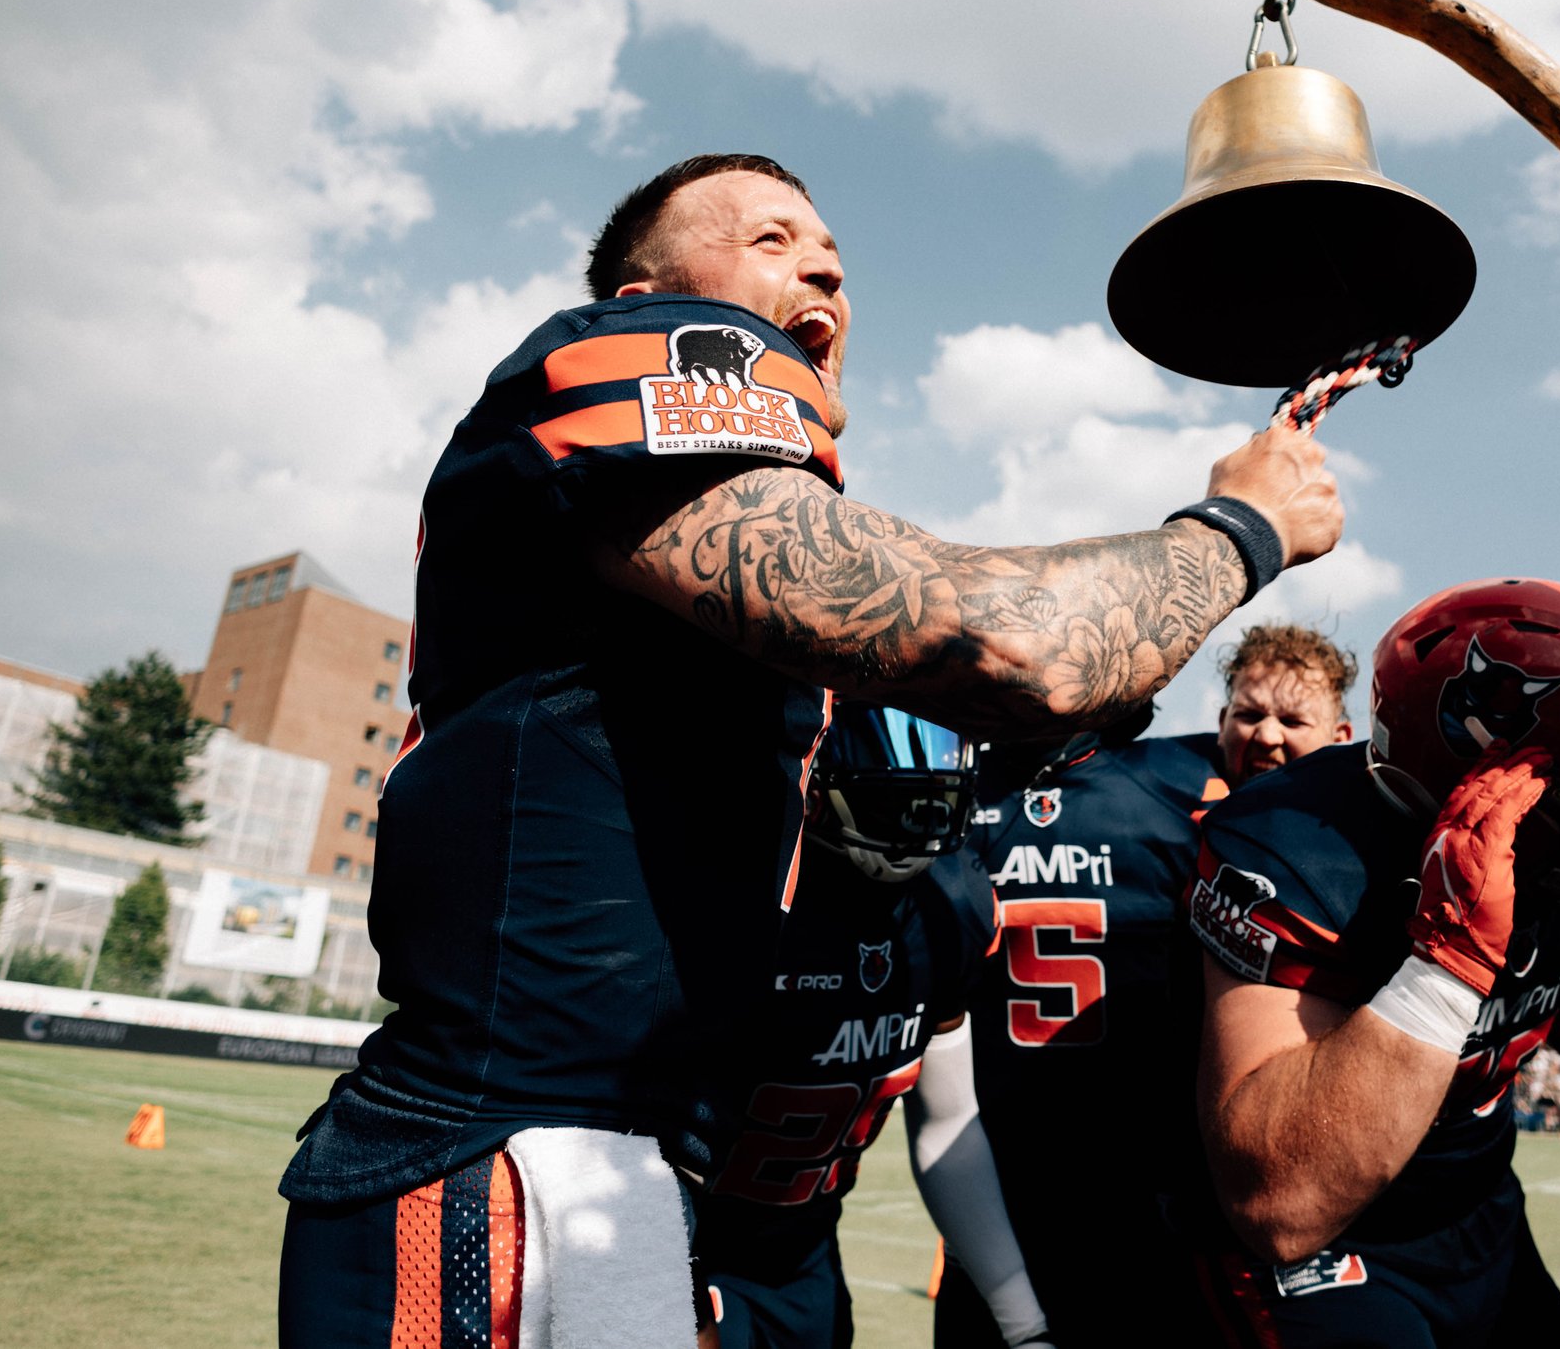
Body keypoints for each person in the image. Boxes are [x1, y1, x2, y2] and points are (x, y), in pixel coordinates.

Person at [275, 153, 1344, 1348]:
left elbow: (1029, 695)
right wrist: (1239, 528)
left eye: (828, 249)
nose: (823, 263)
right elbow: (1020, 646)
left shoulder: (731, 616)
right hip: (512, 1156)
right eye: (769, 239)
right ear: (645, 306)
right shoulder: (614, 364)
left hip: (630, 1171)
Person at [1189, 579, 1560, 1346]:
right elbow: (1281, 1204)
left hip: (1477, 1210)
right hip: (1339, 1245)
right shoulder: (1297, 846)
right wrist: (1448, 960)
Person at [936, 623, 1359, 1346]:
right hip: (1019, 1160)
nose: (1265, 735)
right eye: (1250, 714)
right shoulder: (1178, 781)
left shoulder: (1194, 785)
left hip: (1132, 1176)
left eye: (1291, 719)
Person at [696, 703, 1049, 1349]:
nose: (919, 831)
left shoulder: (953, 904)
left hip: (807, 1257)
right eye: (892, 805)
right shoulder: (748, 896)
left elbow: (947, 1122)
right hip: (689, 1237)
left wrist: (1024, 1325)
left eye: (935, 805)